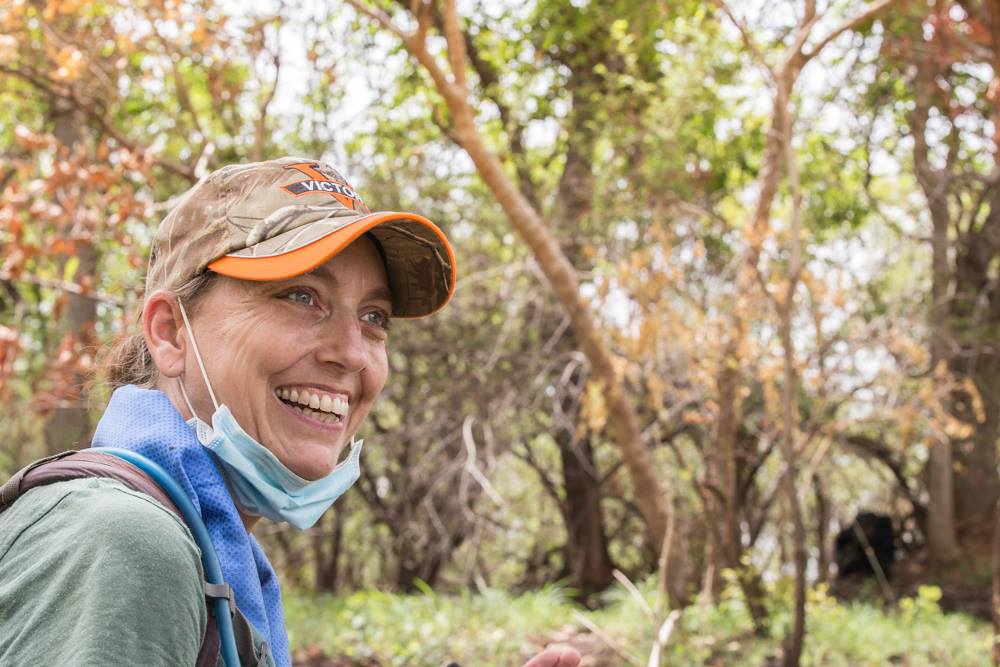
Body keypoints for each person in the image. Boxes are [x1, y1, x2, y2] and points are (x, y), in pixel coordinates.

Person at [0, 157, 580, 667]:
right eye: (301, 296)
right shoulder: (121, 542)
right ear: (170, 333)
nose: (352, 353)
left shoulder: (210, 548)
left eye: (374, 318)